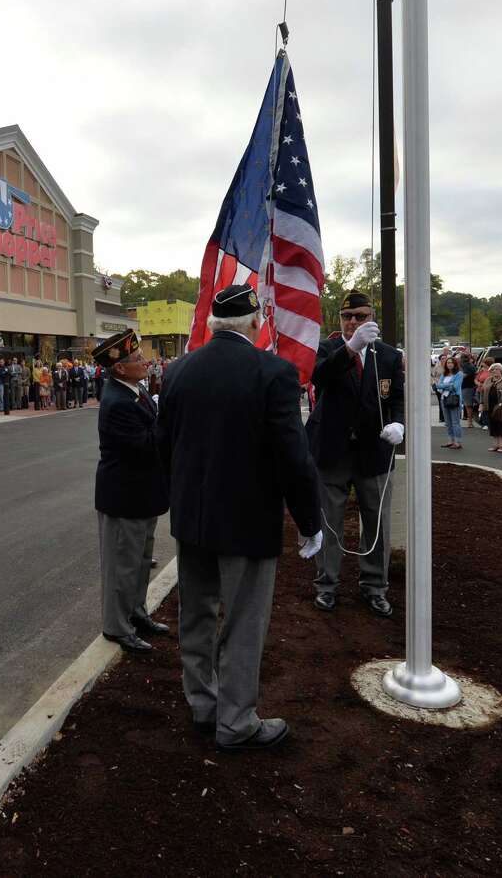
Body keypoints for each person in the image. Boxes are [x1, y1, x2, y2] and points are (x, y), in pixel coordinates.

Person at [157, 284, 322, 751]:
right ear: (255, 323)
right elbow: (293, 456)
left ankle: (203, 705)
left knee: (197, 616)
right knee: (244, 623)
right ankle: (236, 722)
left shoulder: (178, 370)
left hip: (193, 520)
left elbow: (162, 445)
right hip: (248, 523)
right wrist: (310, 521)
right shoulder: (273, 372)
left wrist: (182, 497)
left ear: (212, 325)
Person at [306, 291, 405, 617]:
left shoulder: (388, 355)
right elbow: (318, 377)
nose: (353, 322)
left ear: (371, 317)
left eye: (360, 316)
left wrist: (398, 425)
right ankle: (326, 585)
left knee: (377, 524)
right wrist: (351, 348)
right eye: (347, 317)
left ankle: (375, 587)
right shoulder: (327, 349)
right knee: (329, 523)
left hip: (373, 451)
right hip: (332, 450)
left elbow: (397, 399)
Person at [93, 329, 170, 653]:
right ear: (120, 367)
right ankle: (116, 626)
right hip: (124, 497)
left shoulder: (132, 391)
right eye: (137, 358)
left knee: (139, 562)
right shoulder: (117, 402)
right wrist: (170, 418)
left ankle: (136, 613)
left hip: (141, 494)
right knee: (122, 566)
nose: (145, 361)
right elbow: (144, 447)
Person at [434, 356, 464, 450]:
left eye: (451, 362)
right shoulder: (444, 374)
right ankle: (450, 441)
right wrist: (444, 386)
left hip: (454, 399)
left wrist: (441, 385)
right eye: (448, 363)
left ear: (455, 364)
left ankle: (457, 442)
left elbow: (454, 387)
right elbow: (438, 387)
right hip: (444, 399)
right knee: (448, 422)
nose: (449, 364)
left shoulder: (459, 374)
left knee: (455, 422)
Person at [460, 352, 478, 423]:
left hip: (467, 387)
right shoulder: (471, 365)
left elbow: (462, 377)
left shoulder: (466, 366)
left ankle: (470, 422)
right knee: (470, 404)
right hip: (472, 386)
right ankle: (470, 420)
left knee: (468, 405)